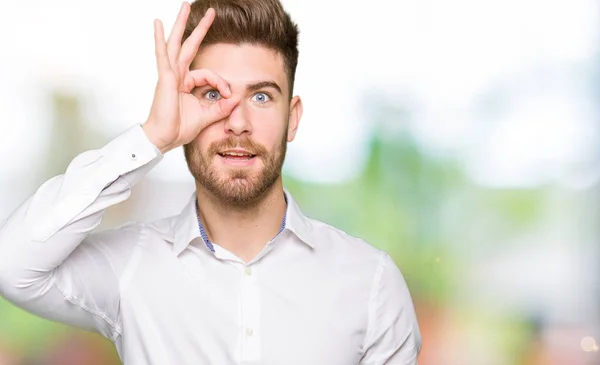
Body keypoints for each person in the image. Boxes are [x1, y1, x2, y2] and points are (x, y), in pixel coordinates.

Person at [0, 0, 422, 363]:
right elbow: (12, 265)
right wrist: (152, 136)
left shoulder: (371, 284)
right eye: (213, 95)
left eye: (261, 97)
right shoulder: (131, 266)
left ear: (291, 118)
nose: (237, 123)